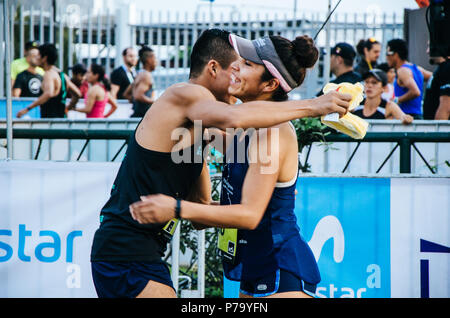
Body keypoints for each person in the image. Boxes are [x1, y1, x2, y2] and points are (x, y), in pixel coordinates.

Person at [90, 28, 352, 299]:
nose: (238, 70)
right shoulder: (192, 100)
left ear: (270, 84)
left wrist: (270, 198)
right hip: (127, 253)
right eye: (236, 64)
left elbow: (223, 210)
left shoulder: (260, 132)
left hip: (277, 269)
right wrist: (315, 105)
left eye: (247, 65)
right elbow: (232, 120)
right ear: (213, 69)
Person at [16, 43, 81, 118]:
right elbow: (77, 94)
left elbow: (49, 93)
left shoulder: (48, 74)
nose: (36, 57)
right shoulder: (62, 75)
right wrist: (67, 108)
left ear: (44, 58)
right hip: (62, 120)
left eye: (38, 55)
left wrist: (27, 109)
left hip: (50, 122)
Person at [386, 38, 432, 119]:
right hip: (418, 116)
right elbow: (435, 77)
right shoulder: (416, 69)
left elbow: (415, 92)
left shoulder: (402, 71)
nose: (386, 57)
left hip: (407, 117)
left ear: (396, 55)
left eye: (388, 54)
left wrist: (397, 100)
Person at [125, 45, 157, 117]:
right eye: (155, 58)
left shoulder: (139, 74)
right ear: (149, 59)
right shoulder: (146, 75)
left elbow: (126, 94)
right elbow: (138, 96)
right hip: (142, 117)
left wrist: (136, 104)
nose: (156, 62)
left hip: (137, 116)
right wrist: (154, 102)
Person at [422, 52, 450, 120]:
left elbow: (446, 108)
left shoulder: (447, 68)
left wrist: (436, 129)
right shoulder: (442, 68)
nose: (428, 51)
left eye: (431, 46)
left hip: (439, 128)